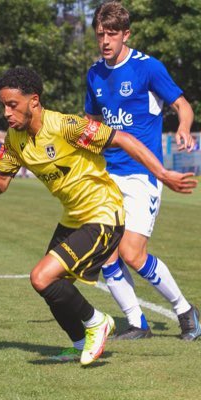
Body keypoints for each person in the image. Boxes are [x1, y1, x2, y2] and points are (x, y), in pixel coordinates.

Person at [0, 67, 197, 365]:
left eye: (12, 104)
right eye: (3, 105)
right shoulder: (15, 139)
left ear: (34, 101)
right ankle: (81, 343)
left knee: (41, 276)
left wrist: (162, 173)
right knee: (51, 286)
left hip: (104, 215)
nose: (6, 112)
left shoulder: (67, 126)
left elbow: (121, 139)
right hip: (73, 218)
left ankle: (98, 322)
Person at [85, 1, 201, 341]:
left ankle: (185, 311)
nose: (105, 40)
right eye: (100, 34)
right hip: (108, 175)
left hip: (143, 175)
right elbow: (92, 122)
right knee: (105, 254)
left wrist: (183, 126)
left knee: (132, 253)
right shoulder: (94, 74)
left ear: (126, 34)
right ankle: (137, 323)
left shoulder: (148, 68)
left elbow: (182, 105)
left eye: (112, 34)